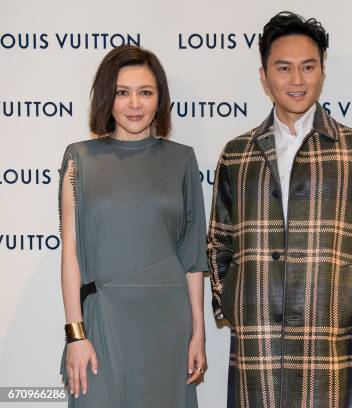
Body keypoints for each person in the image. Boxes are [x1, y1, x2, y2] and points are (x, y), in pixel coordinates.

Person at [207, 11, 352, 408]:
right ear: (264, 75)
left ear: (322, 71)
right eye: (284, 68)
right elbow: (218, 243)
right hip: (256, 344)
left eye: (308, 67)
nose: (297, 80)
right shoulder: (237, 154)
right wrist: (231, 299)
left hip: (330, 341)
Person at [59, 45, 208, 407]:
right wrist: (75, 335)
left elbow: (191, 258)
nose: (134, 104)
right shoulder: (79, 159)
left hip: (168, 323)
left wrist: (198, 333)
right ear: (107, 98)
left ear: (160, 99)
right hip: (103, 320)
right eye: (122, 93)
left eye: (146, 92)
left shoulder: (182, 159)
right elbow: (71, 254)